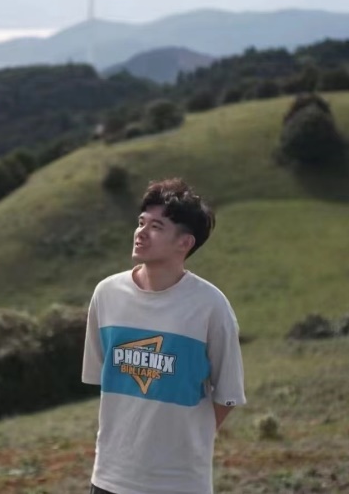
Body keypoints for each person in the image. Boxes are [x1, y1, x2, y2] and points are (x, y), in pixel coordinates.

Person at [82, 177, 246, 494]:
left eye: (156, 227)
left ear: (185, 243)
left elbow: (227, 394)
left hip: (179, 483)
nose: (141, 232)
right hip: (109, 479)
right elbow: (103, 378)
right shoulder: (106, 294)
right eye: (141, 222)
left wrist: (184, 442)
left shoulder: (211, 306)